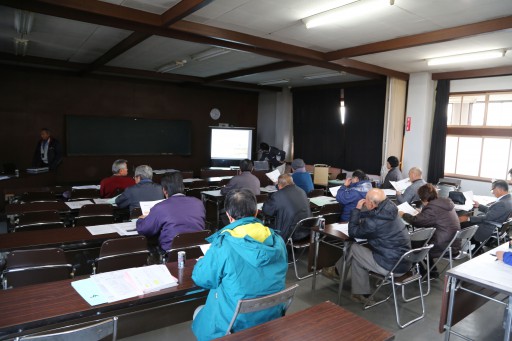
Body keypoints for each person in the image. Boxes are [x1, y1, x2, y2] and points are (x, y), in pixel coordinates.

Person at [191, 189, 287, 340]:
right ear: (256, 212)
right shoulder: (278, 240)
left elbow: (201, 279)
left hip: (235, 325)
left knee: (199, 312)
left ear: (229, 216)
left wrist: (203, 261)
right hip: (271, 318)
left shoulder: (224, 245)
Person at [324, 189, 411, 304]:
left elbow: (353, 232)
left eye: (366, 199)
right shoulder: (391, 210)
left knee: (353, 247)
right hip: (405, 262)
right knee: (358, 258)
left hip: (390, 266)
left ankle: (337, 271)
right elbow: (374, 218)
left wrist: (357, 210)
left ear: (371, 204)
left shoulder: (374, 222)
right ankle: (361, 294)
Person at [399, 183, 460, 277]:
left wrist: (403, 214)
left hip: (442, 245)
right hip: (453, 243)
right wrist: (423, 212)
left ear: (424, 199)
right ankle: (431, 269)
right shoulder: (445, 202)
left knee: (412, 243)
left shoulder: (432, 208)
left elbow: (416, 221)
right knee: (421, 241)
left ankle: (421, 270)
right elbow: (435, 217)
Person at [136, 172, 205, 252]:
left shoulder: (160, 207)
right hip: (198, 249)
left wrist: (140, 220)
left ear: (164, 190)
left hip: (171, 252)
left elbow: (144, 230)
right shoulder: (198, 203)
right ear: (182, 187)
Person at [459, 180, 512, 246]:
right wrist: (479, 206)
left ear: (499, 189)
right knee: (469, 221)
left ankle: (466, 247)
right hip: (493, 225)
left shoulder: (502, 203)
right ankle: (476, 247)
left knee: (462, 224)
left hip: (488, 226)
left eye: (493, 190)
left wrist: (468, 218)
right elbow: (493, 212)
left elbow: (488, 217)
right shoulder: (507, 200)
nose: (492, 193)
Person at [261, 173, 311, 241]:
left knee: (264, 227)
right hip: (306, 232)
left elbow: (266, 211)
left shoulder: (277, 195)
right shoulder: (302, 191)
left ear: (279, 185)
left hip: (289, 233)